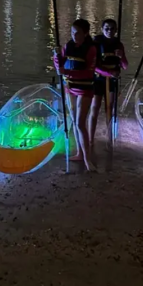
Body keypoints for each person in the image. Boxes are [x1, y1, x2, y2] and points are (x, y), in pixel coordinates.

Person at [53, 18, 97, 172]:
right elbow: (59, 66)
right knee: (73, 119)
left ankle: (87, 159)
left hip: (85, 87)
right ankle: (79, 153)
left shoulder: (91, 49)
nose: (74, 35)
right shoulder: (68, 46)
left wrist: (67, 72)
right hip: (69, 87)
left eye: (77, 33)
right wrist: (56, 56)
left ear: (85, 33)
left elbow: (88, 71)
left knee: (80, 123)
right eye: (72, 32)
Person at [89, 19, 128, 148]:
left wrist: (121, 56)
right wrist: (108, 72)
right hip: (99, 79)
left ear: (116, 30)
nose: (109, 31)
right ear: (102, 29)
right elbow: (93, 65)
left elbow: (125, 66)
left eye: (112, 29)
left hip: (112, 80)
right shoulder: (96, 43)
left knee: (109, 107)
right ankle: (90, 138)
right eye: (107, 28)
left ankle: (110, 137)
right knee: (95, 107)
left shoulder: (119, 44)